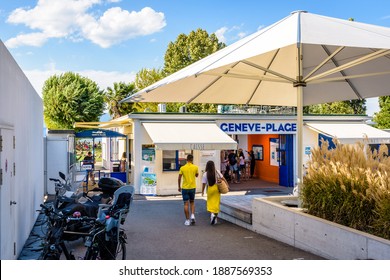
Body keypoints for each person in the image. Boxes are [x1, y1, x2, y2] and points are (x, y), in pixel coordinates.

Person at [201, 160, 227, 225]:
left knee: (210, 203)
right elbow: (223, 178)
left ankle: (212, 215)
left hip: (210, 189)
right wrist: (227, 184)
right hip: (216, 189)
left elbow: (203, 184)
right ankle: (215, 218)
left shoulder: (205, 174)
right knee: (216, 203)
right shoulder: (217, 171)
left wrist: (202, 192)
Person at [178, 154, 199, 226]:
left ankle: (187, 220)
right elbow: (196, 175)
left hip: (185, 188)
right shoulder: (195, 167)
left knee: (186, 204)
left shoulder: (182, 168)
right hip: (192, 187)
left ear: (186, 160)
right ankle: (192, 215)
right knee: (192, 202)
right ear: (192, 160)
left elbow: (179, 178)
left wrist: (179, 187)